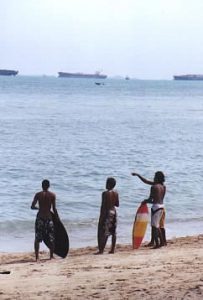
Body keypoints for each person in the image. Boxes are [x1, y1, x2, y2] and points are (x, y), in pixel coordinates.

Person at [132, 171, 166, 248]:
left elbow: (151, 200)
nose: (153, 178)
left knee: (155, 226)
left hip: (156, 207)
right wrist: (138, 175)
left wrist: (145, 201)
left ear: (157, 178)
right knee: (157, 226)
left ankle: (157, 244)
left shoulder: (153, 187)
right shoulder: (163, 187)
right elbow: (160, 198)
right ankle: (161, 242)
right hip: (162, 207)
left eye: (154, 177)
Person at [31, 179, 58, 261]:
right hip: (48, 218)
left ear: (42, 186)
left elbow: (32, 206)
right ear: (49, 186)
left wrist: (39, 208)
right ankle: (51, 256)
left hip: (40, 218)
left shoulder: (38, 195)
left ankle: (37, 258)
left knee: (37, 238)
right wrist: (57, 218)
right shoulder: (52, 195)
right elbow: (54, 209)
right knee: (51, 237)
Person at [96, 177, 119, 254]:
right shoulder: (116, 193)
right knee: (113, 232)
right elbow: (117, 204)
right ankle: (112, 249)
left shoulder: (105, 193)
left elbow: (103, 206)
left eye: (106, 183)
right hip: (114, 212)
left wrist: (101, 217)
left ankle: (101, 250)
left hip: (107, 213)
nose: (105, 184)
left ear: (108, 184)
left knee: (105, 232)